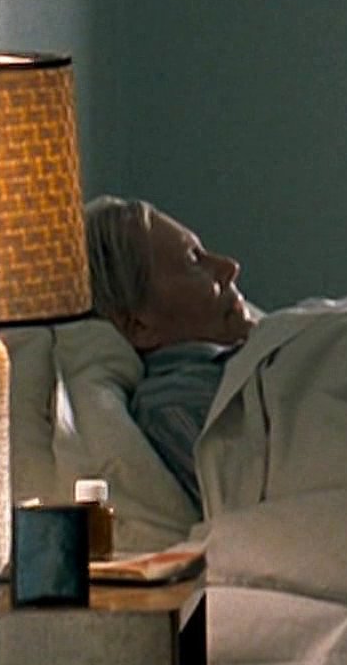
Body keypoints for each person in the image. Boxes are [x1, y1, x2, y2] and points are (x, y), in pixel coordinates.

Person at [84, 195, 261, 514]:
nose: (229, 267)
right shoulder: (174, 406)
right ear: (139, 325)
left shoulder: (261, 353)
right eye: (193, 260)